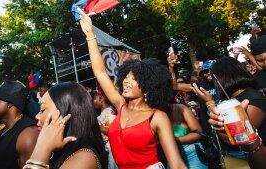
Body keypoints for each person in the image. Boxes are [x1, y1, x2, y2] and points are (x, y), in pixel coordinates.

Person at [79, 14, 186, 169]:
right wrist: (90, 35)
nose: (126, 81)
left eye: (134, 79)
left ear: (147, 85)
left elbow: (177, 164)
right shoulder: (121, 105)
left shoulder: (157, 117)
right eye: (125, 77)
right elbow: (100, 72)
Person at [23, 82, 107, 169]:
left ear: (65, 112)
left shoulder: (83, 159)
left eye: (43, 110)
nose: (37, 116)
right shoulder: (63, 151)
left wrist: (42, 148)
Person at [168, 104, 208, 169]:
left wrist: (174, 140)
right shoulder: (156, 115)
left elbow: (198, 133)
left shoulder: (180, 109)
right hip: (171, 157)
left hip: (192, 154)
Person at [94, 88, 118, 169]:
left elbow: (114, 132)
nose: (93, 101)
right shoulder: (102, 114)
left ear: (102, 99)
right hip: (106, 151)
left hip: (113, 152)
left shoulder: (110, 113)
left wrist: (98, 127)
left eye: (95, 98)